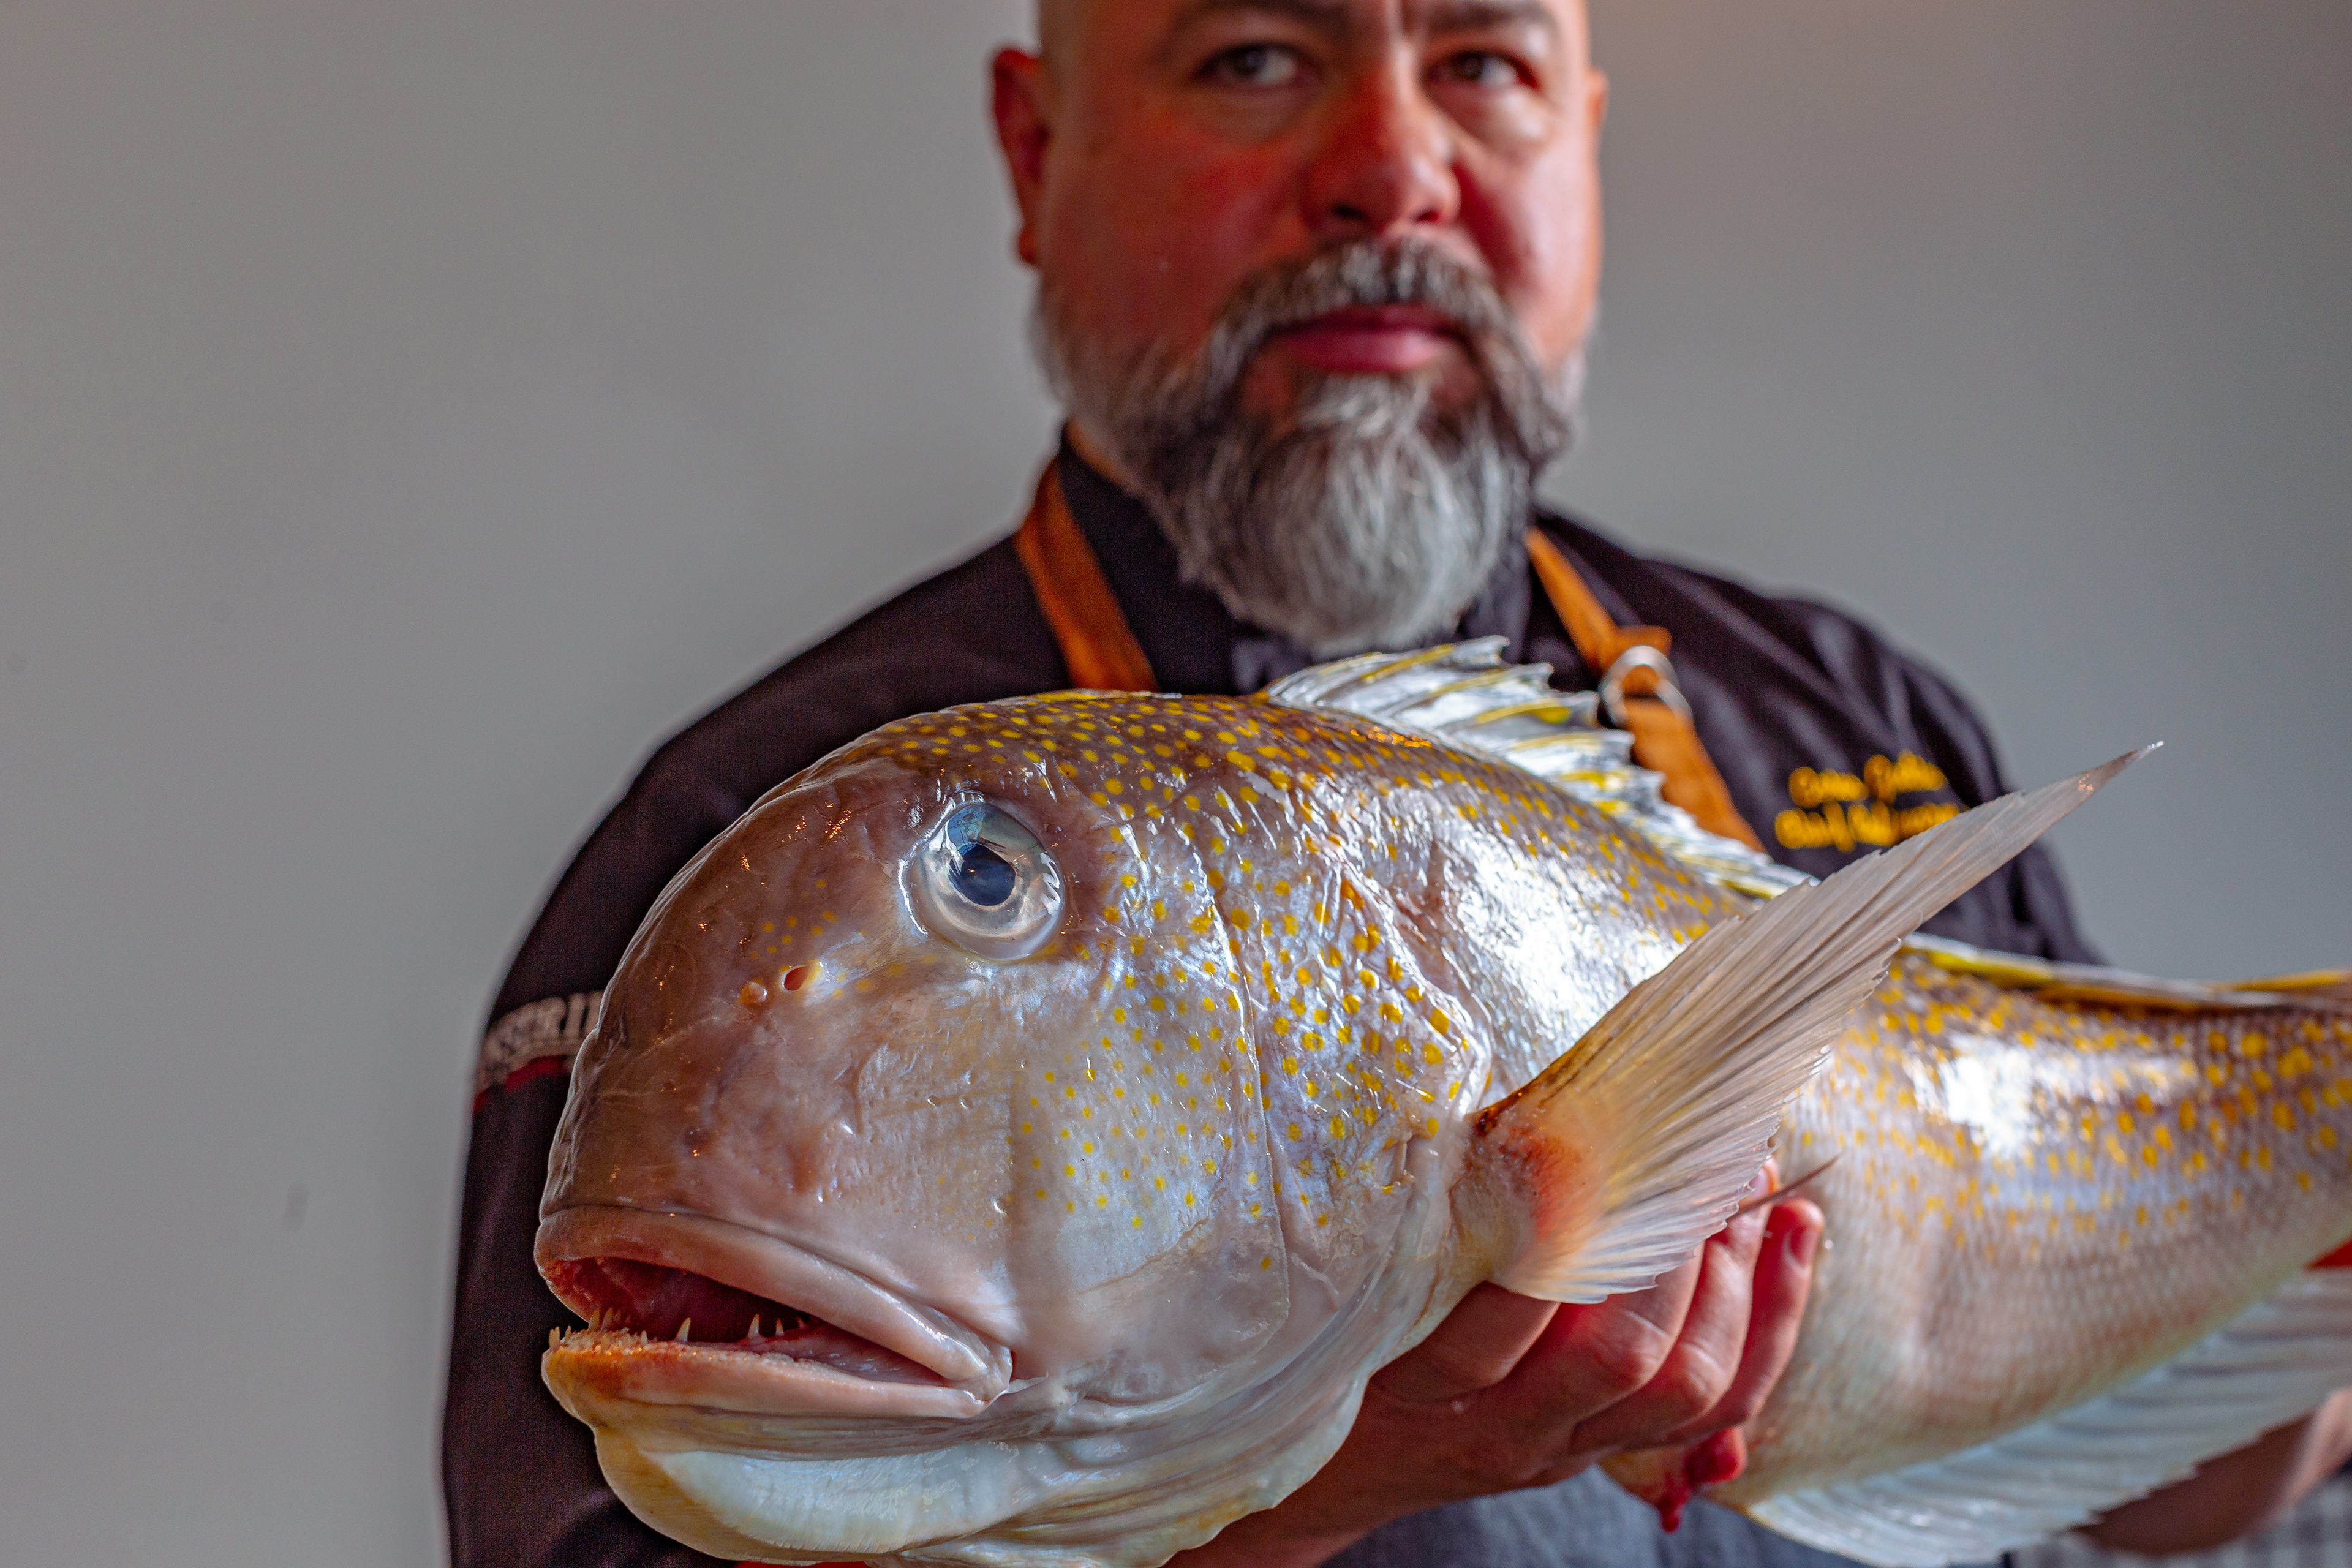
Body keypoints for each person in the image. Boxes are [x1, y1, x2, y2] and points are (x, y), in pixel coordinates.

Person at [442, 3, 2352, 1565]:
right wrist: (1307, 1498)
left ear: (1583, 133)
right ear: (1033, 151)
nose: (1391, 166)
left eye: (1484, 62)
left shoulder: (1861, 717)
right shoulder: (743, 835)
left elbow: (2164, 1492)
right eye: (1253, 57)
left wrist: (2313, 1278)